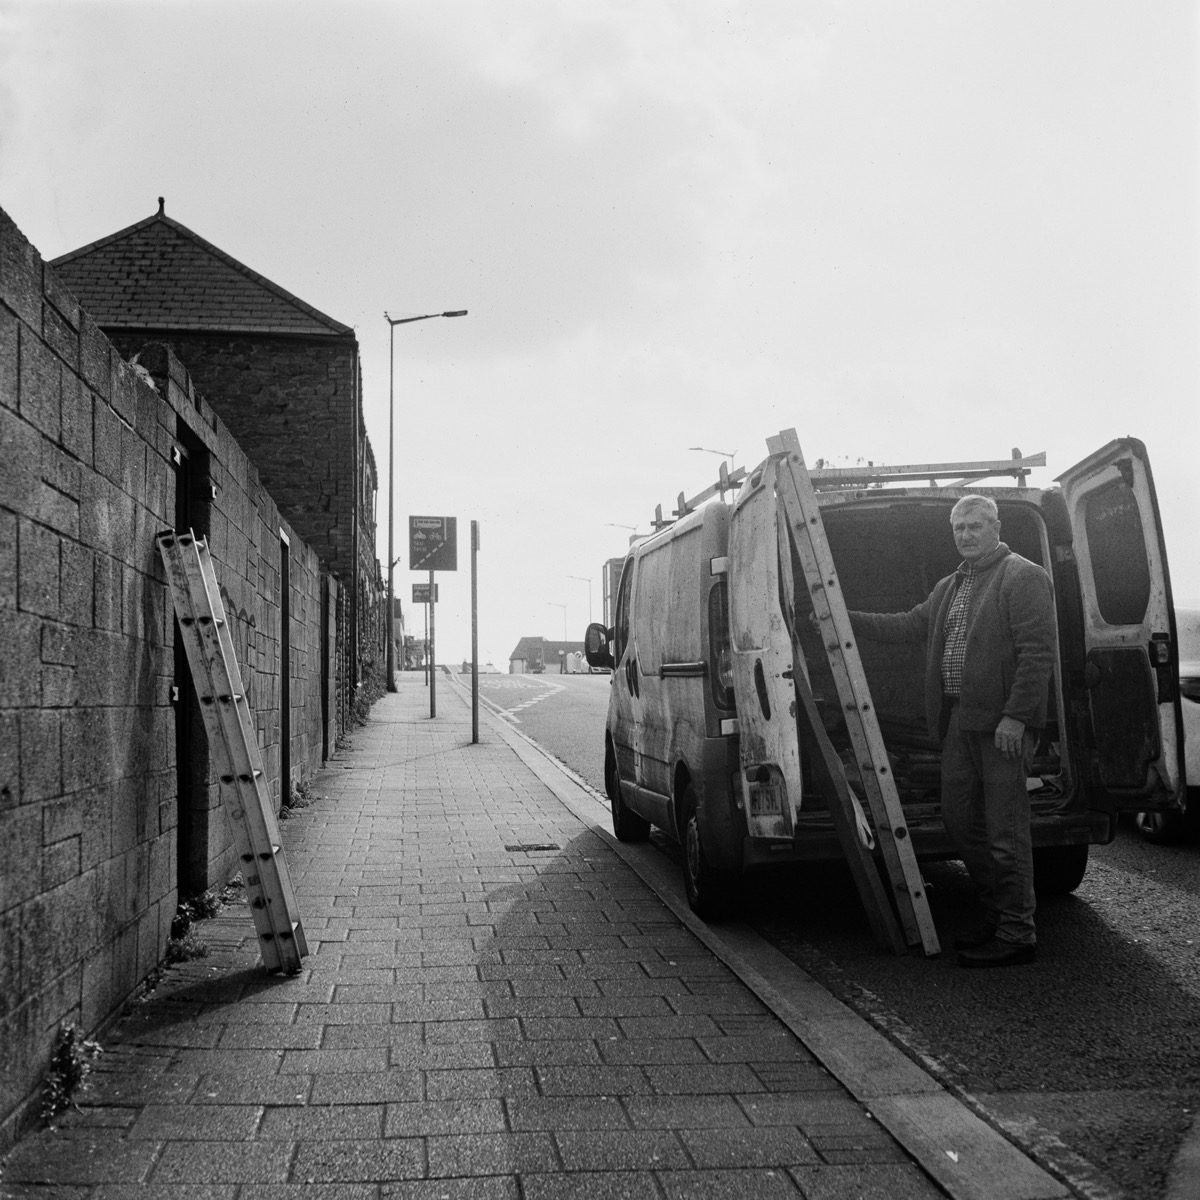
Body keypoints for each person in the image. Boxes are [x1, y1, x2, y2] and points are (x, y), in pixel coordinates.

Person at [848, 495, 1056, 967]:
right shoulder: (950, 585)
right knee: (959, 821)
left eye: (975, 525)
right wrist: (844, 618)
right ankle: (996, 914)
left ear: (997, 526)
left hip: (1002, 724)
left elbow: (1038, 653)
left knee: (1006, 831)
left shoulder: (1022, 576)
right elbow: (908, 625)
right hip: (959, 720)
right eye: (959, 527)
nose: (966, 534)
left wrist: (1017, 716)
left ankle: (1017, 932)